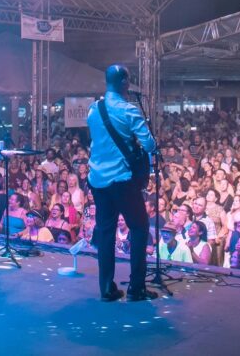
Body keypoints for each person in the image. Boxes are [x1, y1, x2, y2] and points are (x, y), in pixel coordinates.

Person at [88, 64, 158, 302]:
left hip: (98, 180)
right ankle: (136, 289)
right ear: (125, 83)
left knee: (105, 232)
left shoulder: (93, 109)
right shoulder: (129, 111)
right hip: (122, 180)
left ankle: (107, 289)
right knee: (139, 228)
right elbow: (149, 145)